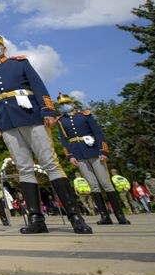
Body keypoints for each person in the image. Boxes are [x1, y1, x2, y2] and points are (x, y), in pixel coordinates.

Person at [0, 31, 92, 234]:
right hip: (7, 122)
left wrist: (47, 110)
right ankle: (36, 218)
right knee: (23, 168)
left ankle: (75, 216)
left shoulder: (20, 63)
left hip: (31, 116)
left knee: (50, 163)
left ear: (3, 47)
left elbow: (39, 87)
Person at [55, 94, 130, 225]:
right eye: (61, 105)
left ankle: (120, 215)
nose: (64, 106)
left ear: (72, 104)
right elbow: (64, 140)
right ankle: (104, 216)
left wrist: (103, 150)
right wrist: (70, 156)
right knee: (93, 185)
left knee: (105, 182)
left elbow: (98, 133)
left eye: (66, 103)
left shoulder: (85, 115)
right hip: (78, 154)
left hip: (94, 151)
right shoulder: (61, 121)